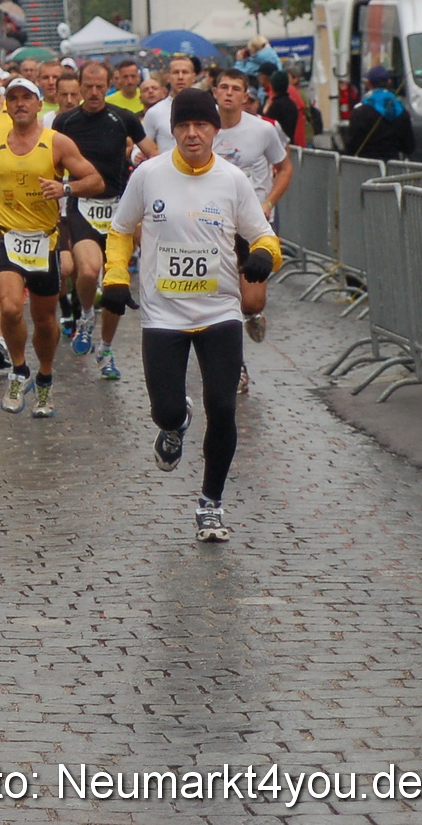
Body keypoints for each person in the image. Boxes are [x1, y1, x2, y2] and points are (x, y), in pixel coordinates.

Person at [102, 88, 281, 542]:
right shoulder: (148, 174)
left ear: (215, 130)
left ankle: (211, 504)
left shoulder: (232, 179)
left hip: (219, 309)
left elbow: (263, 234)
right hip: (163, 314)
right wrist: (116, 276)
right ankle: (175, 421)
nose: (192, 134)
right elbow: (120, 231)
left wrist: (263, 256)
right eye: (183, 126)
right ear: (173, 131)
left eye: (201, 125)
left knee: (222, 408)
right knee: (164, 410)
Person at [0, 78, 104, 418]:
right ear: (5, 105)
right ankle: (19, 370)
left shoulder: (56, 142)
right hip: (7, 238)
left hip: (45, 243)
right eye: (12, 98)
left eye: (26, 97)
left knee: (45, 320)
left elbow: (95, 180)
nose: (19, 104)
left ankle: (44, 377)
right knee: (11, 308)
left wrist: (65, 189)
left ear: (39, 103)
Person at [50, 62, 158, 378]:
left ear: (107, 85)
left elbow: (154, 154)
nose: (94, 93)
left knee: (116, 285)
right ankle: (85, 315)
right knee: (87, 270)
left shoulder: (122, 118)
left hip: (118, 210)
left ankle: (106, 348)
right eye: (89, 87)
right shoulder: (65, 121)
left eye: (100, 87)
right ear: (80, 87)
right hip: (81, 206)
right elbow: (51, 161)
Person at [210, 68, 294, 376]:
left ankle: (253, 315)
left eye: (236, 88)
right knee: (223, 299)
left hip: (253, 225)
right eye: (224, 87)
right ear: (215, 92)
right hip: (214, 226)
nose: (229, 92)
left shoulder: (262, 131)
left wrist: (268, 202)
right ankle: (236, 368)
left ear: (246, 97)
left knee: (252, 301)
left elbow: (284, 168)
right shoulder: (204, 130)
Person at [346, 66, 416, 161]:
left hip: (365, 168)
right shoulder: (401, 111)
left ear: (369, 84)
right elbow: (409, 147)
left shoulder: (359, 112)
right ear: (389, 82)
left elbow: (352, 147)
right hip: (394, 170)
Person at [142, 56, 201, 153]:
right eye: (176, 72)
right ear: (168, 77)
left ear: (194, 77)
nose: (180, 77)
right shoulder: (155, 112)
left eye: (185, 72)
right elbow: (141, 144)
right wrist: (136, 155)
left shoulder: (209, 108)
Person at [262, 69, 302, 145]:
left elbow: (265, 126)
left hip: (276, 146)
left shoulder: (274, 106)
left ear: (272, 85)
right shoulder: (292, 104)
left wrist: (265, 110)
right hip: (289, 145)